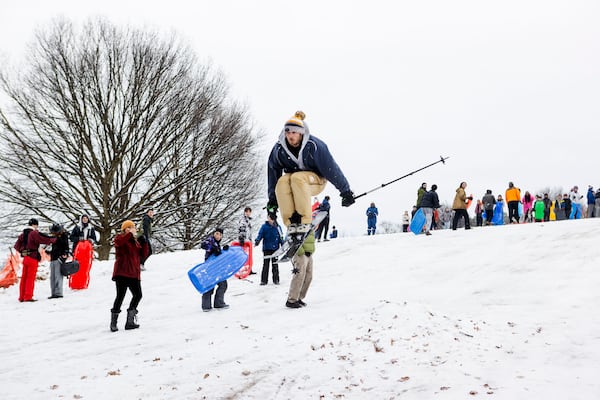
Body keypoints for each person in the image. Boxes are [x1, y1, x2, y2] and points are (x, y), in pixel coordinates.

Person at [266, 111, 355, 237]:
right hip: (293, 182)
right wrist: (272, 202)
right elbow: (273, 175)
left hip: (316, 180)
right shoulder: (279, 150)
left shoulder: (314, 146)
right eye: (288, 132)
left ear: (301, 133)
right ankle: (291, 223)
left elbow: (331, 169)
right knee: (282, 182)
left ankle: (304, 221)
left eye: (294, 133)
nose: (290, 136)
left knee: (297, 178)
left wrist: (345, 191)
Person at [110, 220, 146, 332]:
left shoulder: (135, 242)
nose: (133, 229)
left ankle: (130, 321)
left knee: (138, 295)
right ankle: (113, 323)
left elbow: (143, 255)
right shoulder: (119, 238)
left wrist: (144, 243)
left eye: (133, 227)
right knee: (120, 296)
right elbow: (119, 243)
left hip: (134, 273)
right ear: (126, 229)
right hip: (122, 272)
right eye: (130, 227)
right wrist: (129, 234)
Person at [14, 218, 57, 302]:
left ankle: (21, 297)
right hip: (33, 257)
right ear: (35, 225)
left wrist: (22, 251)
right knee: (30, 278)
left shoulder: (23, 234)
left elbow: (17, 246)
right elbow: (43, 239)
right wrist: (54, 239)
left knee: (24, 278)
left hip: (25, 258)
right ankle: (28, 296)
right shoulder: (34, 233)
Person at [200, 228, 230, 312]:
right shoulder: (210, 240)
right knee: (212, 285)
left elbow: (218, 254)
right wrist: (213, 249)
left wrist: (224, 250)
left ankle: (215, 304)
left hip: (217, 268)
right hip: (210, 268)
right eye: (217, 233)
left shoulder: (216, 243)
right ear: (214, 233)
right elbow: (204, 245)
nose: (218, 236)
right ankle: (208, 305)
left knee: (222, 285)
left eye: (220, 235)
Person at [286, 231, 316, 308]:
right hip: (301, 254)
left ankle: (298, 297)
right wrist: (300, 250)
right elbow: (291, 238)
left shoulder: (311, 223)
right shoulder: (298, 223)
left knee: (309, 277)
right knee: (299, 276)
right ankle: (291, 300)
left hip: (309, 253)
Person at [254, 212, 284, 285]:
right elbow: (260, 234)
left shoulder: (278, 227)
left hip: (275, 249)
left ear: (273, 219)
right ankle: (264, 281)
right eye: (268, 217)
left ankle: (276, 280)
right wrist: (257, 241)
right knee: (265, 265)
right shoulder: (264, 226)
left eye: (270, 217)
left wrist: (283, 245)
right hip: (266, 248)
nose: (268, 219)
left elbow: (281, 237)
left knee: (275, 265)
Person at [48, 223, 70, 299]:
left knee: (58, 276)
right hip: (53, 257)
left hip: (59, 258)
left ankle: (58, 293)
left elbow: (66, 246)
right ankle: (53, 293)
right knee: (52, 277)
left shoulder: (64, 236)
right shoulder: (54, 237)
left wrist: (65, 253)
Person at [238, 207, 255, 274]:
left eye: (249, 212)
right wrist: (241, 238)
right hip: (244, 241)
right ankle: (244, 269)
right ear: (244, 212)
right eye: (247, 212)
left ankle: (249, 269)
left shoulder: (249, 220)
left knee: (249, 255)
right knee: (245, 255)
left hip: (248, 240)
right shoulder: (243, 220)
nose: (248, 213)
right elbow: (241, 229)